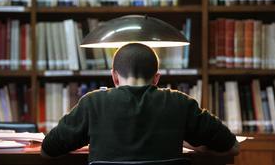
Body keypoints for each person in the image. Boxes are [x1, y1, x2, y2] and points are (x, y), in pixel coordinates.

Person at [41, 43, 239, 162]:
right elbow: (232, 147)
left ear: (115, 77)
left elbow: (48, 150)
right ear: (156, 78)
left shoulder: (92, 104)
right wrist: (186, 139)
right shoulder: (180, 103)